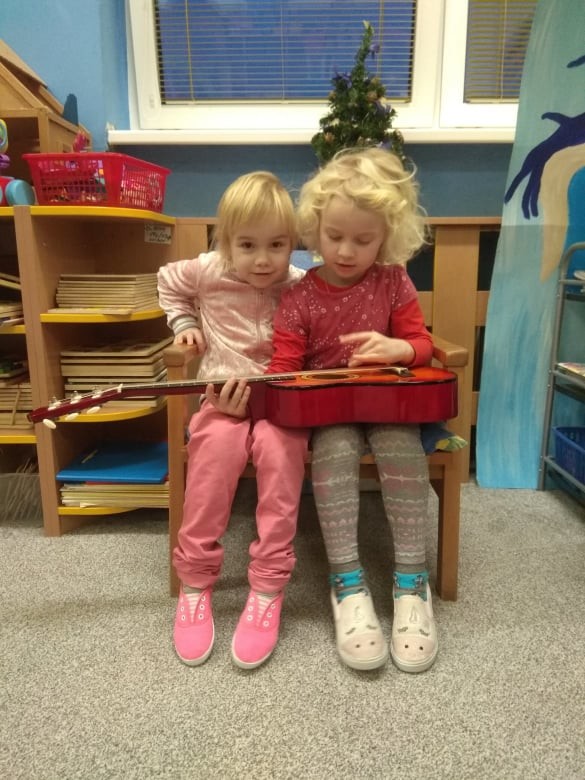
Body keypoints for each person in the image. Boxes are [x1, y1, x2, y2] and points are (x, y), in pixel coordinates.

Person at [269, 147, 439, 673]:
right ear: (315, 230)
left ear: (385, 237)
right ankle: (346, 581)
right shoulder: (299, 296)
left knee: (403, 448)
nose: (346, 250)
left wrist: (399, 348)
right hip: (331, 413)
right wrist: (277, 385)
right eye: (334, 236)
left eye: (363, 240)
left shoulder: (393, 281)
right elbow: (282, 367)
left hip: (389, 404)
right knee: (335, 454)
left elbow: (422, 344)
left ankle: (411, 581)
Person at [157, 171, 309, 669]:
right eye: (247, 245)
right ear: (225, 241)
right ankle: (195, 580)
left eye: (276, 245)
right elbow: (168, 283)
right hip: (221, 400)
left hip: (280, 406)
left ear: (292, 243)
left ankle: (267, 586)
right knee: (215, 456)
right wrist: (185, 325)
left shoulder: (299, 283)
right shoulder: (207, 270)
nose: (263, 259)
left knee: (281, 454)